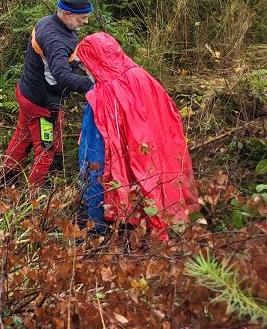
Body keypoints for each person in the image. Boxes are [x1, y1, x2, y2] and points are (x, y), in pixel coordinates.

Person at [75, 32, 197, 236]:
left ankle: (102, 232)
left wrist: (94, 221)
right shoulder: (141, 76)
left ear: (94, 60)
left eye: (83, 64)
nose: (84, 70)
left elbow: (94, 161)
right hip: (152, 163)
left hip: (123, 183)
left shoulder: (103, 97)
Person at [1, 0, 96, 187]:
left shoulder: (46, 22)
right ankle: (35, 202)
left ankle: (4, 184)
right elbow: (62, 76)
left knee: (22, 137)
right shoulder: (56, 42)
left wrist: (80, 64)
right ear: (67, 14)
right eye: (82, 18)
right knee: (46, 151)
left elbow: (60, 61)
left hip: (27, 92)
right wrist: (91, 85)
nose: (85, 22)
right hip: (42, 105)